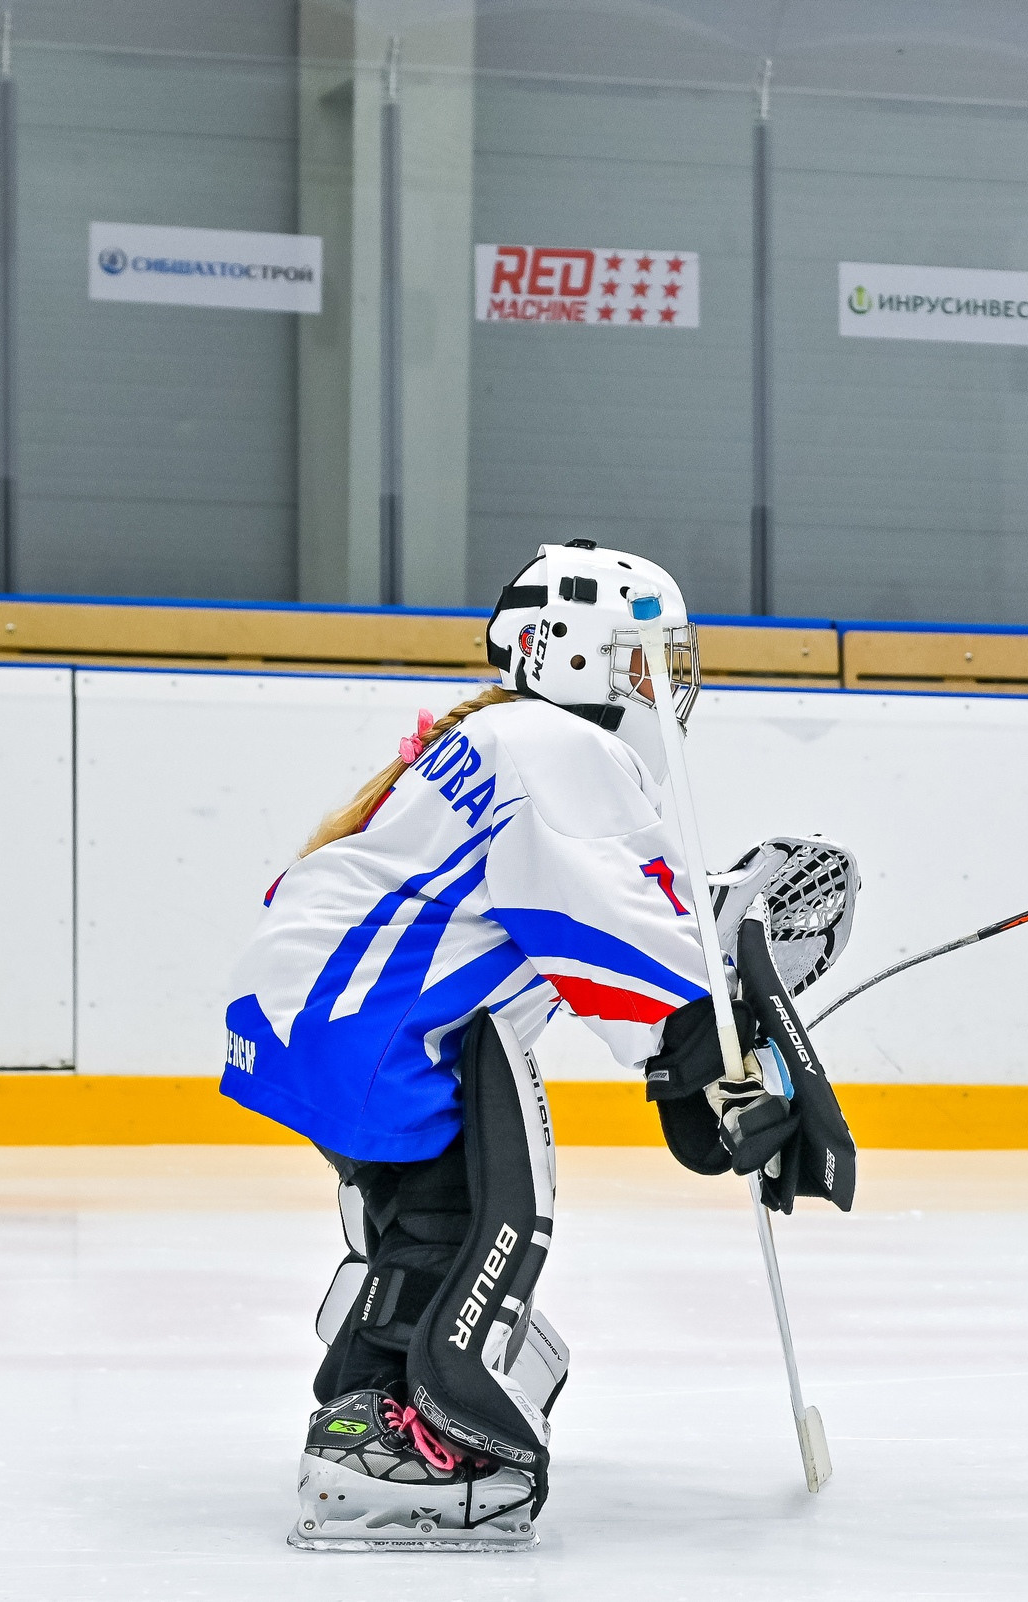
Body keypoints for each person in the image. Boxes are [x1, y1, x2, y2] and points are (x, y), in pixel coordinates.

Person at [219, 541, 854, 1550]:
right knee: (466, 1216)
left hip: (319, 1013)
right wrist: (714, 1040)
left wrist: (708, 1007)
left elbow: (595, 912)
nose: (663, 683)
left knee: (423, 1211)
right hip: (362, 1024)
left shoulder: (509, 736)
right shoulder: (557, 745)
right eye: (648, 658)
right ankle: (389, 1442)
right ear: (577, 654)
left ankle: (367, 1384)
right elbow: (607, 929)